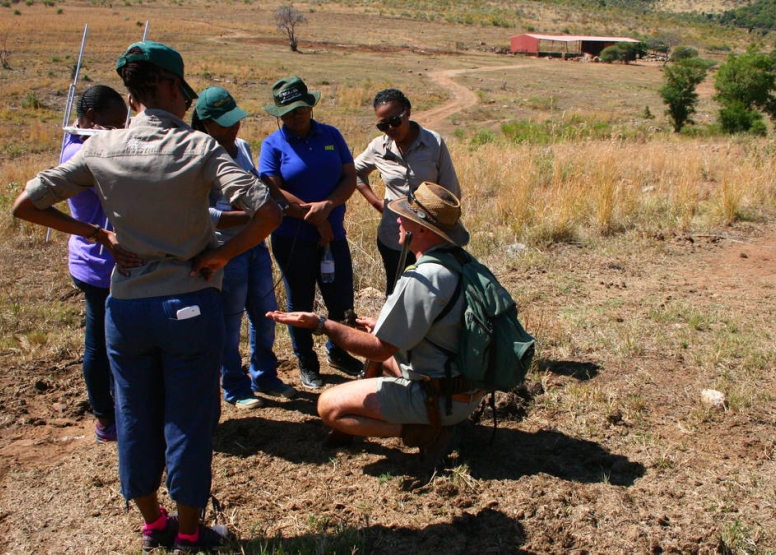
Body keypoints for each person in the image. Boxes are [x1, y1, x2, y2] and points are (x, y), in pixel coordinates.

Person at [12, 41, 281, 553]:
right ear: (164, 86)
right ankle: (187, 530)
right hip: (189, 300)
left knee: (134, 413)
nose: (185, 101)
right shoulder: (200, 149)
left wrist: (98, 236)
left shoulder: (99, 147)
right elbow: (267, 211)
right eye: (182, 89)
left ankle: (152, 522)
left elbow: (26, 204)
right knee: (189, 416)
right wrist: (221, 256)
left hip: (126, 306)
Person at [267, 182, 483, 469]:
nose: (397, 220)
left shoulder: (425, 278)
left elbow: (379, 350)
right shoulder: (460, 261)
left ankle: (425, 430)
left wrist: (321, 324)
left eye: (406, 218)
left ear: (421, 229)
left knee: (329, 407)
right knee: (377, 356)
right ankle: (435, 418)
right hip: (467, 384)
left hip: (443, 397)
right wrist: (382, 326)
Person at [193, 86, 297, 408]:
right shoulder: (196, 156)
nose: (233, 128)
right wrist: (250, 216)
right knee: (230, 319)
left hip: (255, 246)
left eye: (235, 120)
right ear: (206, 123)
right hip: (226, 251)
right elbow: (203, 214)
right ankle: (235, 386)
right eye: (225, 123)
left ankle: (265, 375)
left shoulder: (241, 147)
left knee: (265, 315)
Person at [259, 75, 363, 389]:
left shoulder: (331, 135)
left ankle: (338, 351)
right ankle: (306, 360)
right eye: (288, 111)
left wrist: (328, 207)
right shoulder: (272, 144)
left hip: (334, 236)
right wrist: (316, 218)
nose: (296, 115)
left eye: (300, 107)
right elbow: (272, 190)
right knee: (300, 301)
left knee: (340, 297)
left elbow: (349, 178)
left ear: (310, 106)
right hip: (294, 237)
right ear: (279, 114)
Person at [61, 85, 128, 443]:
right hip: (99, 265)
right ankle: (106, 417)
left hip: (107, 263)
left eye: (124, 123)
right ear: (89, 118)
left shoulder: (91, 142)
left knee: (110, 341)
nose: (120, 130)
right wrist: (99, 234)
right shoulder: (81, 152)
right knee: (101, 346)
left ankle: (117, 409)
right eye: (113, 123)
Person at [354, 88, 461, 296]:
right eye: (383, 125)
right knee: (396, 293)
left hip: (430, 235)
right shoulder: (378, 147)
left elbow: (450, 192)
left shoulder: (433, 143)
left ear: (408, 113)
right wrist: (376, 202)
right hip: (394, 235)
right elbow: (354, 171)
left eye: (395, 121)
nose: (390, 128)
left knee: (432, 294)